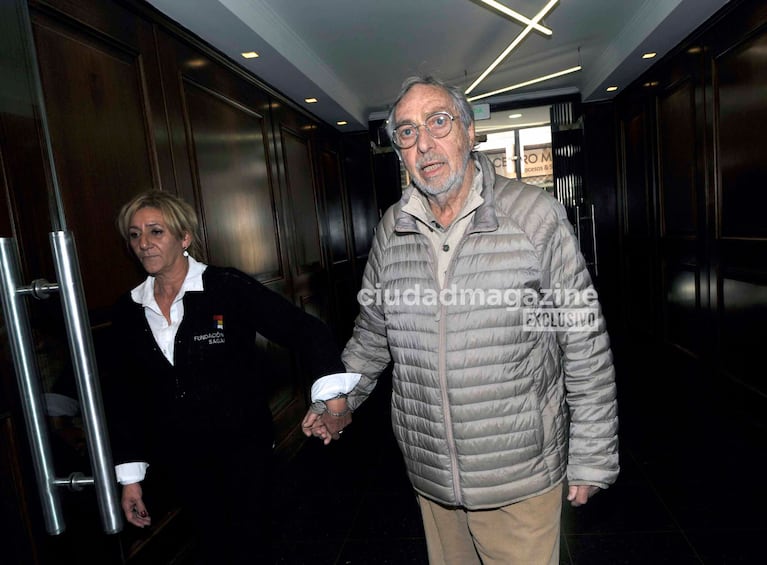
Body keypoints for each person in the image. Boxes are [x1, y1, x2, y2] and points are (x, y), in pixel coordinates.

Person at [302, 76, 619, 565]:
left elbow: (583, 342)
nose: (424, 142)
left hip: (520, 475)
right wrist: (339, 400)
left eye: (438, 122)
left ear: (470, 133)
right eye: (406, 132)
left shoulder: (534, 216)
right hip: (432, 476)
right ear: (399, 152)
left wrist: (592, 454)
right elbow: (372, 335)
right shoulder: (393, 227)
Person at [105, 190, 348, 564]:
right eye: (135, 235)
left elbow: (306, 330)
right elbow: (124, 397)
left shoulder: (226, 288)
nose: (144, 244)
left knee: (253, 546)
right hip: (181, 462)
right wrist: (130, 478)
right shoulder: (128, 310)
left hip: (244, 453)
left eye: (156, 232)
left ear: (184, 238)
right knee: (212, 547)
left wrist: (333, 400)